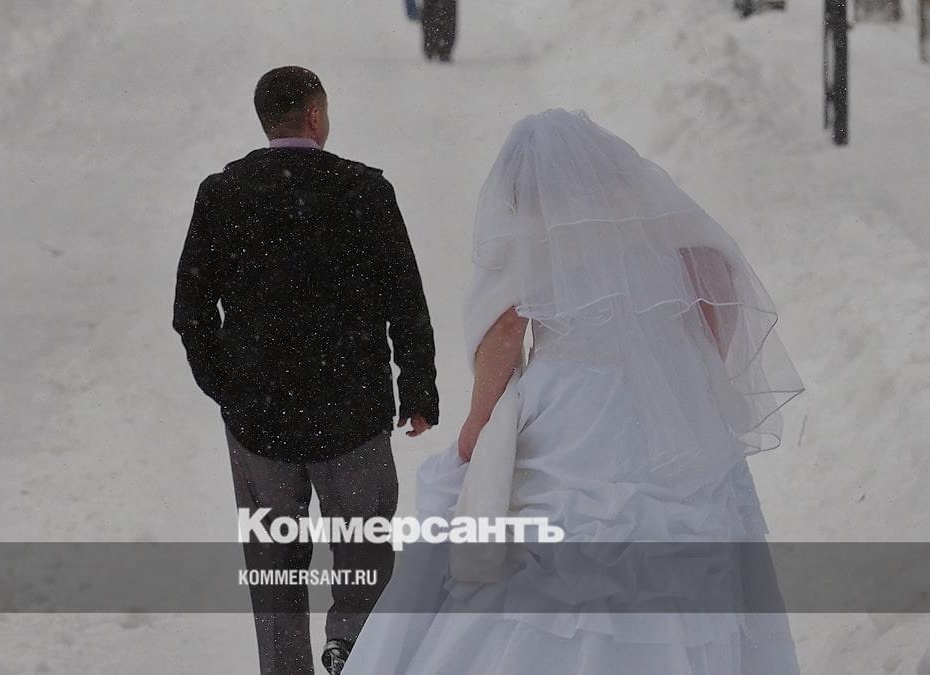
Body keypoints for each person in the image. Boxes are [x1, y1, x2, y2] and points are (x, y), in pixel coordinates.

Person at [342, 109, 805, 674]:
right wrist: (689, 373)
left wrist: (478, 420)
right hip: (670, 407)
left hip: (573, 402)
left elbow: (506, 330)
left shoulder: (538, 246)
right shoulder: (659, 228)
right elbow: (716, 280)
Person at [172, 66, 439, 675]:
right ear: (315, 116)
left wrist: (227, 387)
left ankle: (285, 666)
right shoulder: (365, 191)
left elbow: (191, 310)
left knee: (273, 567)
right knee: (364, 552)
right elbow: (405, 298)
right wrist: (417, 387)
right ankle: (353, 648)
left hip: (259, 421)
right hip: (353, 412)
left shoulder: (223, 194)